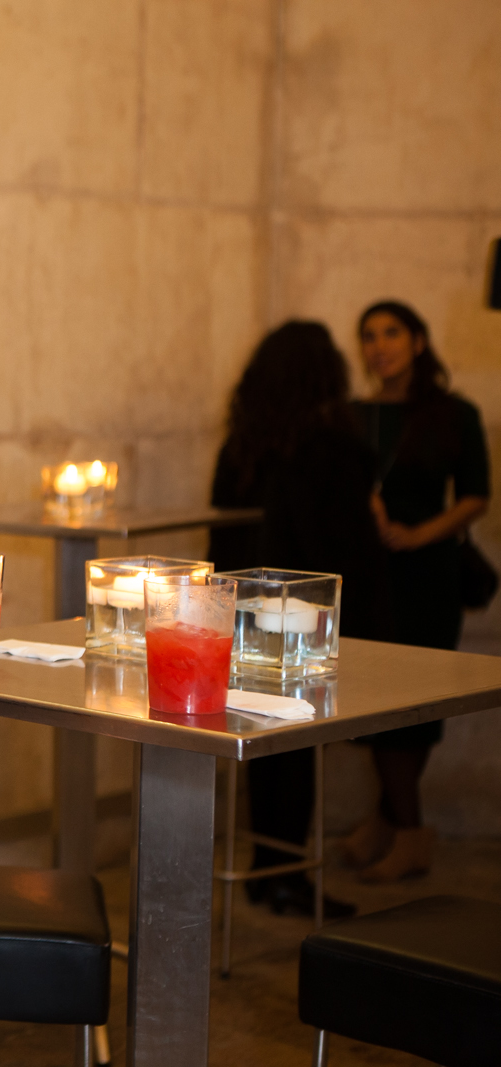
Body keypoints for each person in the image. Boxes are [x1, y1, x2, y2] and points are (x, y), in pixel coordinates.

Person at [209, 320, 390, 917]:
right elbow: (347, 547)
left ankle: (269, 869)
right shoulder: (330, 447)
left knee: (264, 744)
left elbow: (221, 538)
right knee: (296, 747)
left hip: (241, 615)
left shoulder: (242, 447)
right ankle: (284, 875)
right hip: (303, 619)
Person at [340, 300, 490, 883]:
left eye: (392, 333)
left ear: (418, 341)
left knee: (416, 701)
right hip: (372, 575)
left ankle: (407, 832)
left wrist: (417, 534)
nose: (379, 346)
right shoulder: (354, 415)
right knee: (377, 700)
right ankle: (392, 823)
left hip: (430, 575)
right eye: (369, 335)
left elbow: (476, 496)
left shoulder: (454, 413)